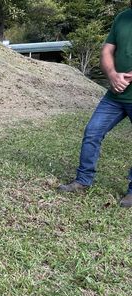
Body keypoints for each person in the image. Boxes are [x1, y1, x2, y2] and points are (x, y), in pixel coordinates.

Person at [58, 8, 132, 207]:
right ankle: (83, 181)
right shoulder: (123, 17)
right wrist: (113, 75)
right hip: (116, 95)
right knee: (93, 132)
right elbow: (107, 50)